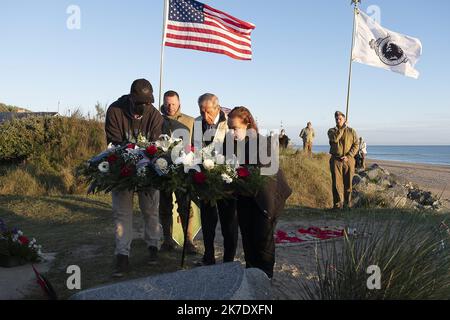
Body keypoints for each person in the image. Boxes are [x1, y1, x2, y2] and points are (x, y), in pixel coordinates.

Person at [105, 79, 164, 278]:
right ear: (131, 98)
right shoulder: (115, 110)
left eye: (148, 103)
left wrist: (145, 160)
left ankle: (153, 246)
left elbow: (155, 144)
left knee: (150, 209)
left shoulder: (155, 115)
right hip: (121, 165)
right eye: (140, 103)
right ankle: (122, 254)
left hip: (147, 166)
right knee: (122, 213)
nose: (144, 107)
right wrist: (130, 156)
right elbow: (114, 140)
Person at [225, 107, 292, 279]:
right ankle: (252, 275)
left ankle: (266, 279)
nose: (232, 132)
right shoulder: (236, 143)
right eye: (229, 128)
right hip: (246, 196)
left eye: (235, 128)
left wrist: (266, 212)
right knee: (248, 240)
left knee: (263, 243)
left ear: (247, 125)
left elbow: (267, 180)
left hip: (266, 198)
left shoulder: (262, 144)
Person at [194, 93, 238, 266]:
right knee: (207, 221)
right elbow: (196, 148)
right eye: (202, 111)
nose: (205, 116)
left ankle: (228, 260)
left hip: (228, 180)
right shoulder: (198, 122)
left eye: (209, 111)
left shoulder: (230, 122)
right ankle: (209, 257)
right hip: (206, 180)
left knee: (229, 223)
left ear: (217, 108)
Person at [159, 90, 198, 254]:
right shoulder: (156, 120)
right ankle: (167, 240)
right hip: (161, 168)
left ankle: (188, 240)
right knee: (164, 206)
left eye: (173, 103)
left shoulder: (190, 121)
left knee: (185, 205)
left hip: (183, 169)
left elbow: (196, 145)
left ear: (179, 103)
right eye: (167, 103)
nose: (170, 107)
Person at [328, 111, 359, 210]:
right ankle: (337, 206)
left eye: (340, 119)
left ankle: (347, 205)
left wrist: (349, 156)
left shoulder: (351, 131)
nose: (338, 120)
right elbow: (335, 139)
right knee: (336, 184)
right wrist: (342, 128)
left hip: (348, 160)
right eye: (336, 119)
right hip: (336, 160)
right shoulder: (331, 131)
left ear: (344, 119)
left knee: (348, 183)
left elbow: (356, 144)